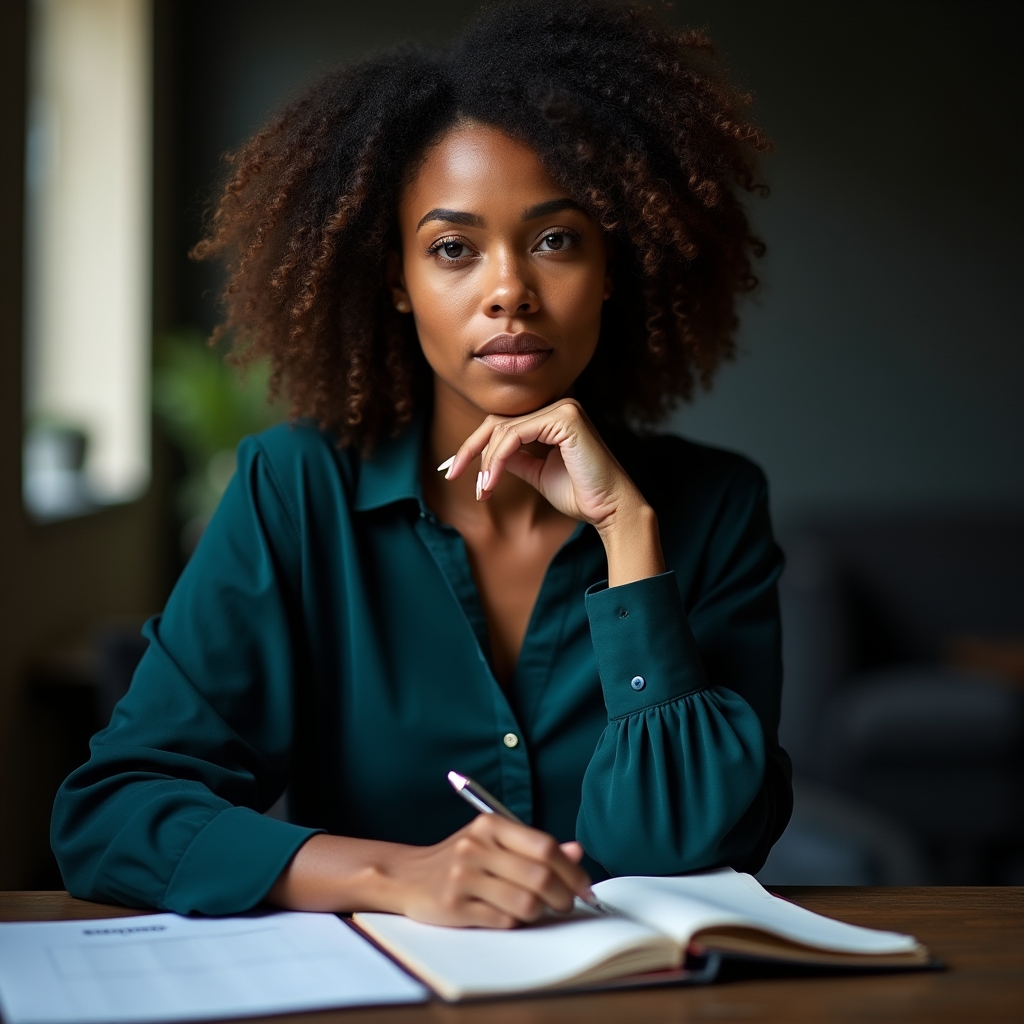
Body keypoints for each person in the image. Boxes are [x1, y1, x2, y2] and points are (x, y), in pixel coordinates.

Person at [52, 0, 791, 926]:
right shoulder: (295, 490)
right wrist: (391, 877)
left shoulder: (712, 507)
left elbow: (683, 851)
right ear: (398, 282)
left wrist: (628, 537)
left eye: (556, 240)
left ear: (613, 267)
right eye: (453, 249)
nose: (510, 291)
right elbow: (111, 814)